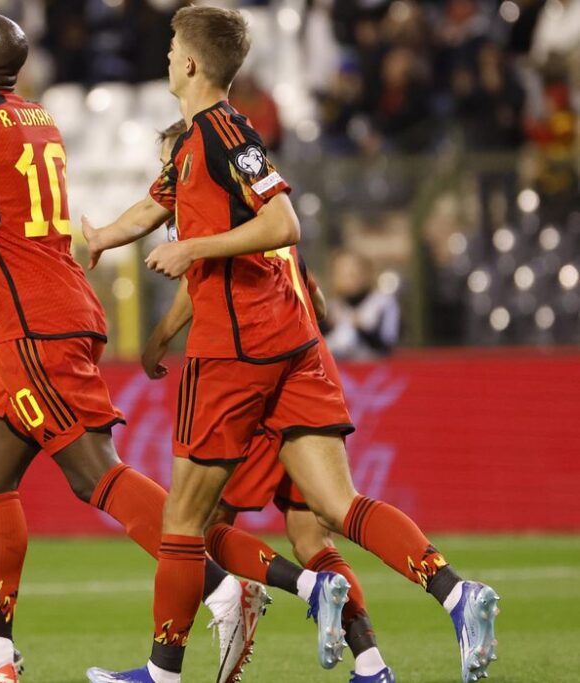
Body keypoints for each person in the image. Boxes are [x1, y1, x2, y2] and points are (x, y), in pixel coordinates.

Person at [82, 7, 498, 683]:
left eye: (169, 49)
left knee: (183, 520)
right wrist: (101, 237)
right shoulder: (193, 145)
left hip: (236, 350)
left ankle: (161, 675)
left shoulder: (224, 132)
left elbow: (284, 221)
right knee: (333, 510)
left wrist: (193, 250)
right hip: (292, 345)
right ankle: (455, 592)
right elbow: (153, 206)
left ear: (190, 64)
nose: (163, 59)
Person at [0, 13, 261, 683]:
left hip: (35, 325)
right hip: (49, 311)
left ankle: (220, 581)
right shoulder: (36, 118)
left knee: (93, 472)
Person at [138, 120, 389, 680]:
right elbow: (318, 304)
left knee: (196, 527)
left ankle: (263, 611)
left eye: (171, 163)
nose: (169, 176)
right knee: (310, 533)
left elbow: (196, 287)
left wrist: (157, 339)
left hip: (257, 382)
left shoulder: (222, 225)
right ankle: (370, 660)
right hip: (308, 372)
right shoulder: (262, 220)